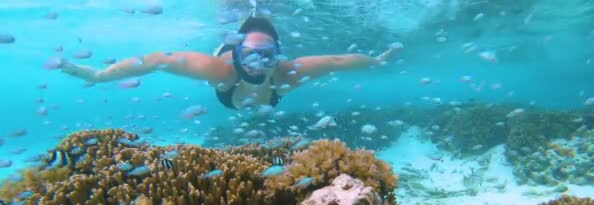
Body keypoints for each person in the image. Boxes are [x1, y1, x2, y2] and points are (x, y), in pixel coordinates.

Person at [60, 15, 403, 110]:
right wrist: (99, 75)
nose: (260, 61)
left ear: (278, 54)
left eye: (268, 54)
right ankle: (234, 29)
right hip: (227, 82)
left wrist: (378, 60)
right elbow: (157, 60)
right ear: (237, 53)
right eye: (250, 53)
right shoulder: (220, 70)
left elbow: (338, 60)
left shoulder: (288, 74)